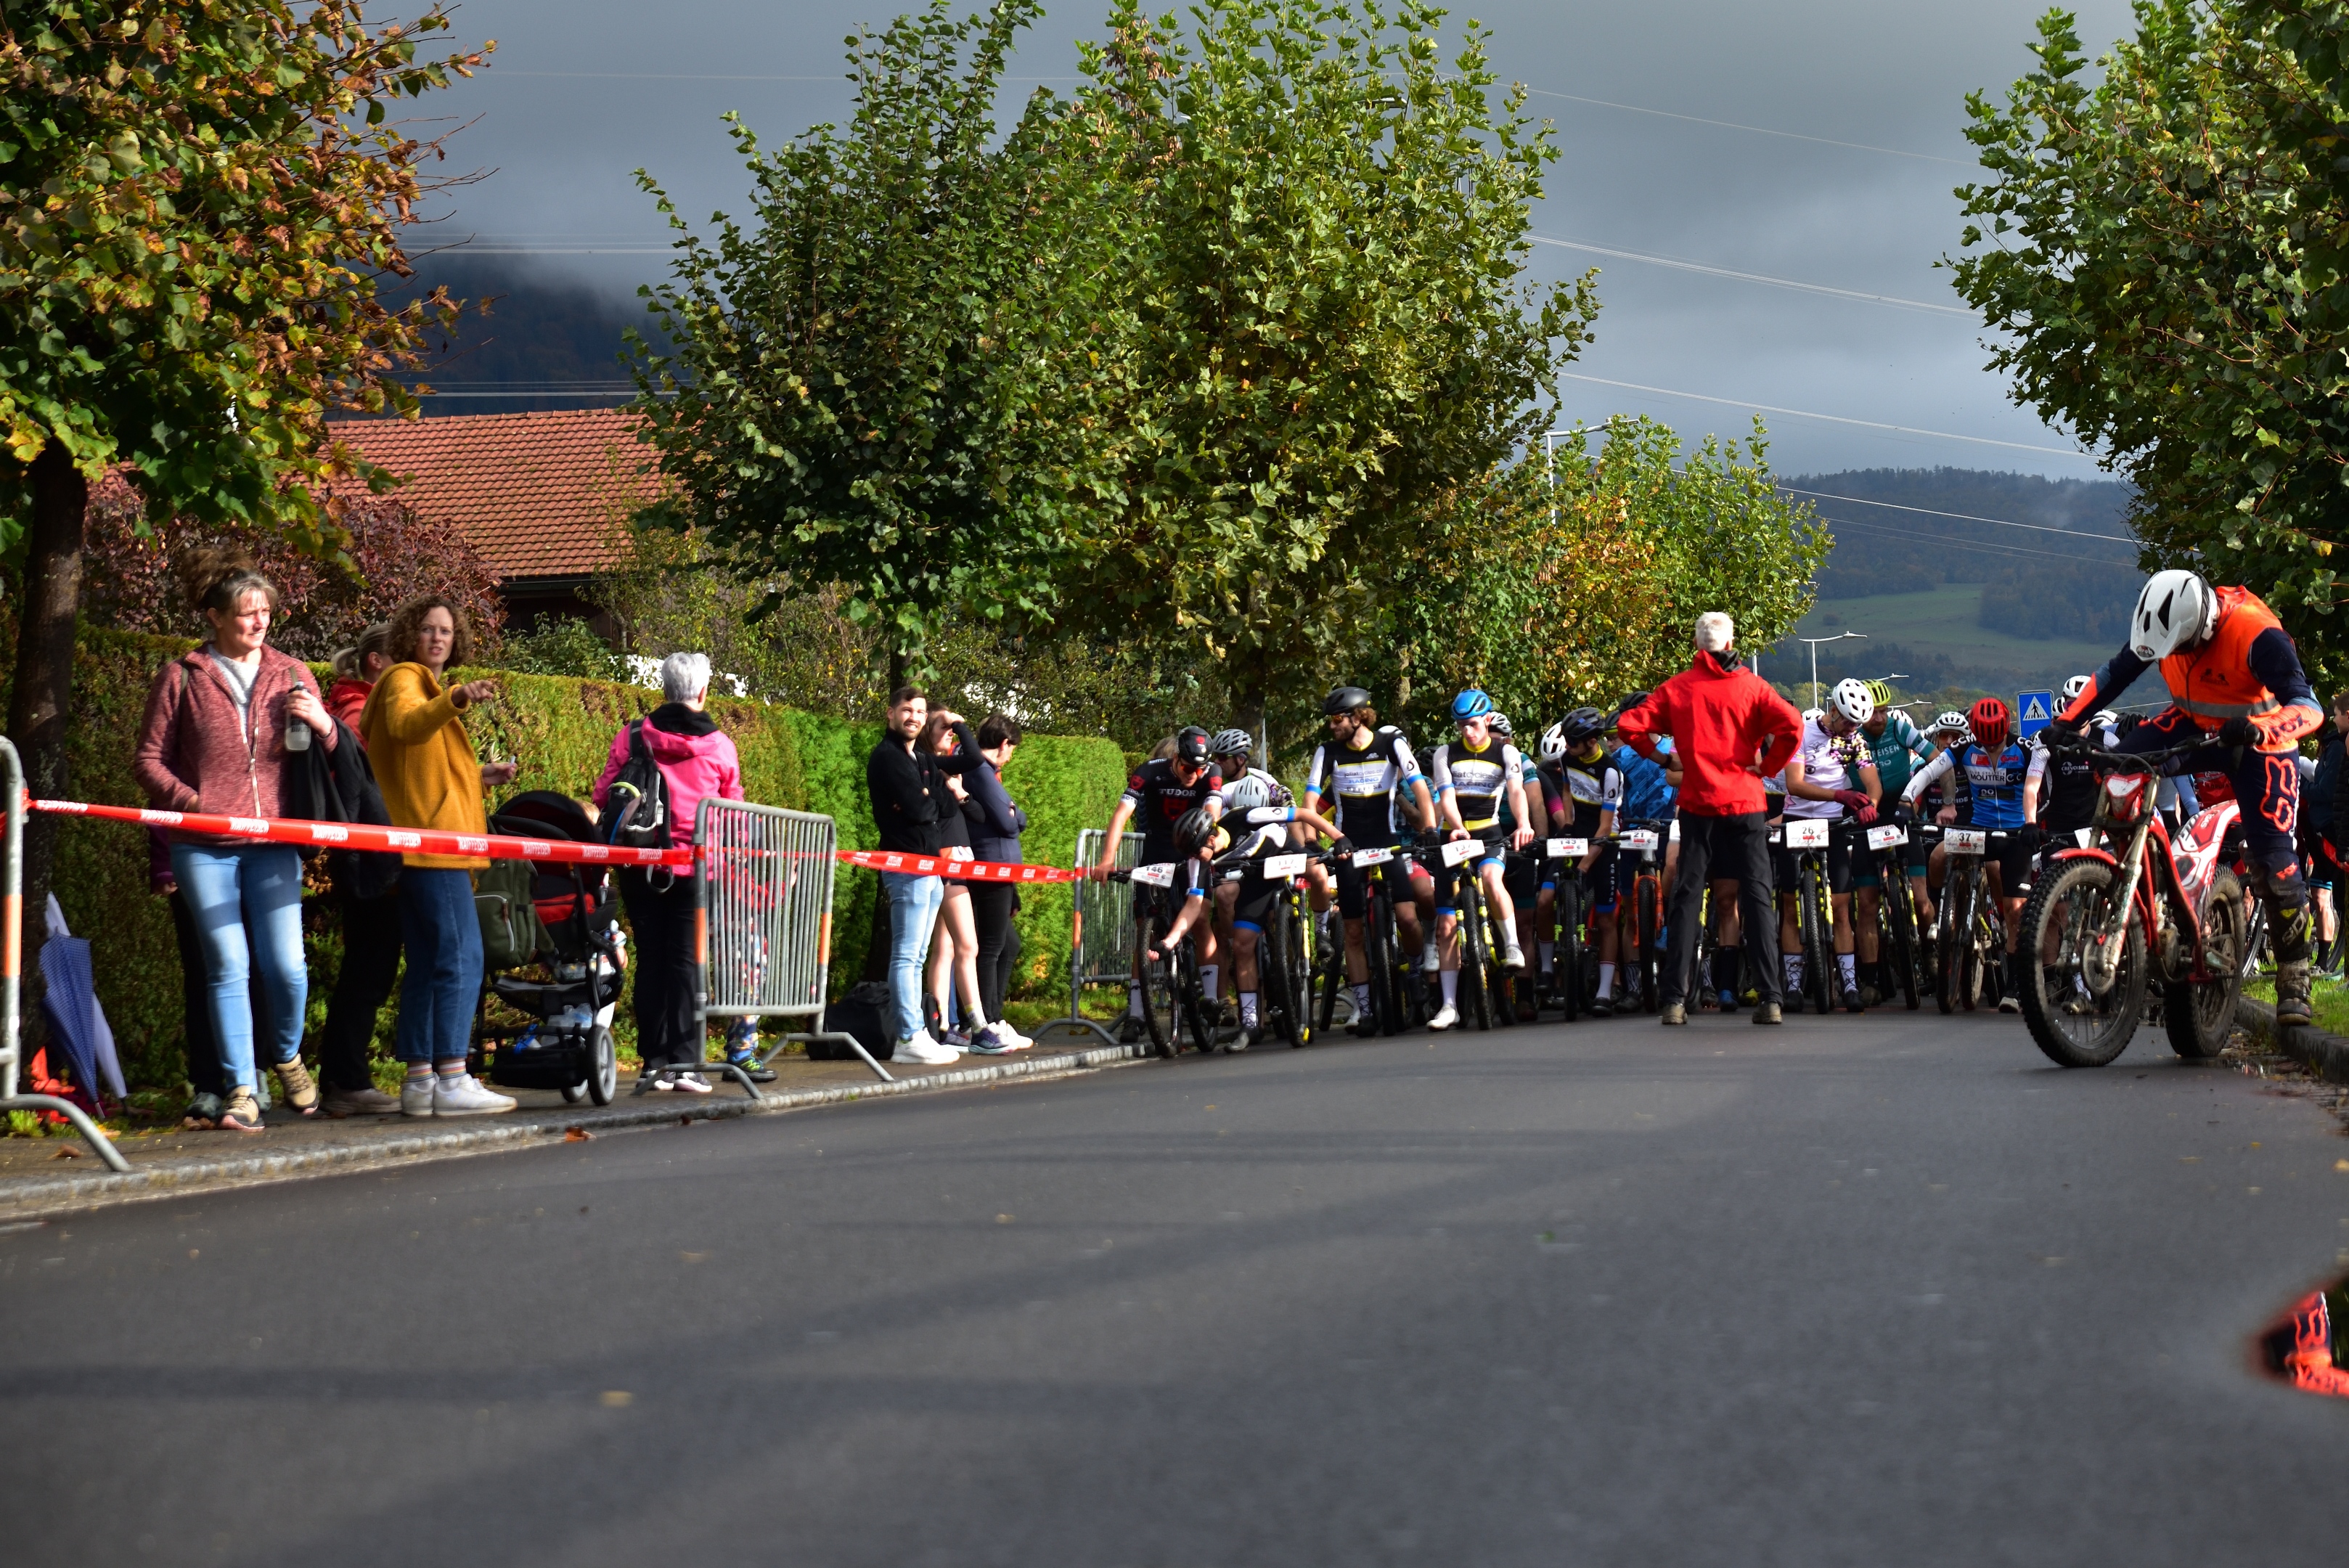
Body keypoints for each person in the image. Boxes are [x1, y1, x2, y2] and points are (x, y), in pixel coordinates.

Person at [2054, 569, 2326, 1024]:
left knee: (2275, 862)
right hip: (2193, 723)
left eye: (2180, 648)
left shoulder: (2257, 633)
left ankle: (2295, 978)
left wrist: (2259, 729)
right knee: (2118, 766)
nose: (2174, 657)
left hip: (2260, 742)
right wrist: (2066, 722)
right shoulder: (2160, 628)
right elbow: (2114, 675)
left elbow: (2309, 708)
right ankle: (2145, 882)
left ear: (2202, 626)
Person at [132, 550, 335, 1133]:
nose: (259, 621)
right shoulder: (182, 676)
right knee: (227, 965)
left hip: (274, 842)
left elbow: (332, 755)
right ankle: (242, 1090)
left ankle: (287, 1056)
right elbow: (147, 760)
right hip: (203, 846)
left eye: (265, 611)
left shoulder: (294, 673)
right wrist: (193, 803)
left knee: (287, 968)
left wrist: (323, 724)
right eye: (247, 612)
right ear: (216, 617)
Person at [362, 595, 521, 1116]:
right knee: (462, 957)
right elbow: (407, 725)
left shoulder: (419, 685)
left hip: (423, 847)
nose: (437, 638)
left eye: (446, 631)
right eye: (428, 629)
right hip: (434, 849)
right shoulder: (405, 679)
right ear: (409, 634)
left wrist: (478, 777)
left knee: (430, 962)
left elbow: (420, 767)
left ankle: (421, 1081)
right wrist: (456, 698)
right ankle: (452, 1076)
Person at [1618, 611, 1804, 1026]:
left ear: (1697, 645)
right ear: (1732, 643)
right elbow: (1793, 725)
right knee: (1757, 896)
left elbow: (1630, 725)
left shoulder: (1678, 688)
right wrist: (1769, 766)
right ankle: (1770, 999)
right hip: (1746, 802)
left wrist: (1663, 758)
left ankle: (1674, 1000)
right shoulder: (1753, 687)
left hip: (1698, 803)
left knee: (1687, 897)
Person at [593, 653, 746, 1093]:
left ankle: (653, 1064)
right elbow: (732, 812)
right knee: (686, 961)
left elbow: (604, 795)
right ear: (703, 691)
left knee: (652, 959)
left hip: (640, 862)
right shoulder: (720, 746)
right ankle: (686, 1064)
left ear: (665, 689)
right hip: (694, 865)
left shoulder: (633, 735)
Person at [311, 621, 407, 1117]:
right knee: (369, 968)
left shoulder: (351, 706)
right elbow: (380, 783)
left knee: (368, 967)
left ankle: (344, 1078)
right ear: (377, 662)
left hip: (371, 854)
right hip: (373, 858)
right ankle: (346, 1079)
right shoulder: (359, 712)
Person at [1307, 686, 1437, 1035]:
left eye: (1337, 719)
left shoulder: (1391, 744)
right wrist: (1312, 840)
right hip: (1348, 844)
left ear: (1358, 716)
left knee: (1408, 918)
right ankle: (1364, 1010)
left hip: (1386, 840)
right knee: (1352, 931)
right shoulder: (1328, 751)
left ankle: (1415, 971)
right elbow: (1309, 802)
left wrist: (1429, 827)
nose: (1332, 726)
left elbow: (1420, 787)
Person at [865, 686, 979, 1065]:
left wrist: (929, 794)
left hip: (930, 867)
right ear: (890, 713)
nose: (913, 717)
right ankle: (908, 1036)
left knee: (916, 958)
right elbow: (919, 809)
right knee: (906, 955)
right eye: (906, 710)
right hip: (907, 866)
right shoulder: (888, 757)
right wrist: (927, 798)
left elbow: (945, 804)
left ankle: (916, 1034)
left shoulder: (922, 759)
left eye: (920, 712)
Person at [1902, 697, 2036, 1012]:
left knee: (2016, 910)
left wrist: (2037, 820)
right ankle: (1944, 915)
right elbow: (1929, 772)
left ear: (2006, 729)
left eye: (1996, 743)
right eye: (1985, 743)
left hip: (2016, 835)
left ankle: (2014, 987)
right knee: (1937, 858)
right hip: (1979, 829)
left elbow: (2045, 780)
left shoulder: (2024, 749)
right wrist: (1907, 800)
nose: (1991, 749)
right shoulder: (1965, 748)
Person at [1095, 726, 1225, 1042]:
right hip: (1156, 852)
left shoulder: (1212, 773)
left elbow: (1213, 814)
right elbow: (1121, 814)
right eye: (1188, 768)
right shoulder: (1150, 772)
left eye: (1200, 769)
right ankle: (1137, 1014)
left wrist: (1208, 845)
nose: (1194, 774)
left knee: (1201, 919)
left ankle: (1211, 998)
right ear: (1176, 758)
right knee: (1146, 930)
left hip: (1193, 851)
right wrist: (1107, 859)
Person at [1426, 689, 1533, 1031]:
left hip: (1489, 834)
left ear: (1487, 719)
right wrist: (1456, 826)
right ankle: (1449, 1005)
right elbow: (1446, 796)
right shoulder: (1446, 753)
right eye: (1461, 726)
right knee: (1446, 926)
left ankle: (1512, 945)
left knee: (1491, 878)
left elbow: (1516, 791)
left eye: (1473, 724)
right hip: (1454, 835)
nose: (1468, 732)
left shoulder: (1506, 752)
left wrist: (1524, 824)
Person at [1773, 678, 1882, 1013]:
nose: (1851, 729)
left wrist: (1870, 805)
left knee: (1841, 906)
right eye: (1847, 721)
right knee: (1790, 906)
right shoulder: (1801, 733)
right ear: (1833, 709)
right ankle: (1793, 986)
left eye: (1856, 724)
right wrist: (1840, 795)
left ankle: (1849, 984)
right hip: (1797, 817)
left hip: (1834, 823)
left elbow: (1872, 782)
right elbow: (1795, 784)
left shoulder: (1855, 740)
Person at [922, 711, 1014, 1054]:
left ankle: (945, 1027)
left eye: (953, 729)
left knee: (948, 947)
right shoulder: (928, 763)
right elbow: (975, 757)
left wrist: (960, 793)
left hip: (959, 861)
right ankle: (974, 1027)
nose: (951, 733)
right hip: (946, 861)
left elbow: (976, 814)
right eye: (944, 728)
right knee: (966, 946)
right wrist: (960, 722)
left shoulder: (948, 770)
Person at [1542, 709, 1622, 1013]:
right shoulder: (1567, 758)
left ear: (1591, 741)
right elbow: (1567, 790)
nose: (1567, 745)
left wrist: (1585, 865)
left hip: (1603, 837)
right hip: (1576, 833)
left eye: (1573, 741)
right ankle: (1547, 969)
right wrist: (1567, 824)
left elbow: (1606, 826)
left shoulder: (1609, 771)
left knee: (1605, 918)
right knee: (1544, 899)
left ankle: (1604, 991)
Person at [963, 713, 1034, 1047]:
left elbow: (1014, 816)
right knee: (991, 947)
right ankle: (987, 1022)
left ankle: (993, 1017)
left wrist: (1014, 813)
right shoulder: (981, 770)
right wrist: (1014, 814)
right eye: (1012, 750)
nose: (1011, 756)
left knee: (1008, 945)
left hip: (999, 869)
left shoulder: (983, 770)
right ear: (1004, 744)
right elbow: (1009, 822)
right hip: (991, 867)